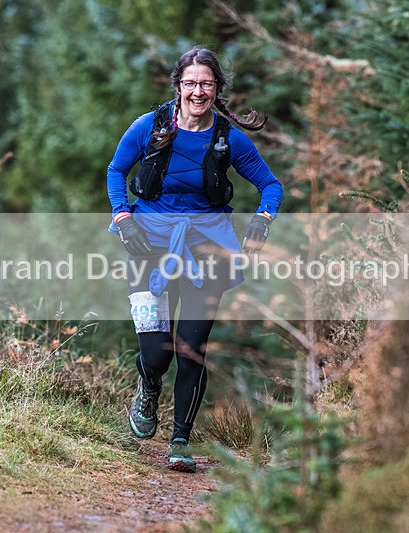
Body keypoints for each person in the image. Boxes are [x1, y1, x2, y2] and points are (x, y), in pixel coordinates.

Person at [106, 46, 283, 472]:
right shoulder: (149, 126)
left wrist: (263, 218)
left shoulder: (229, 137)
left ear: (217, 87)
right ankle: (148, 385)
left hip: (208, 247)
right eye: (190, 83)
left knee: (191, 350)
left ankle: (180, 441)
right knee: (157, 354)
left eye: (206, 83)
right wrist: (123, 216)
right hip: (147, 244)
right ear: (178, 86)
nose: (197, 91)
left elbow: (270, 185)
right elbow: (116, 171)